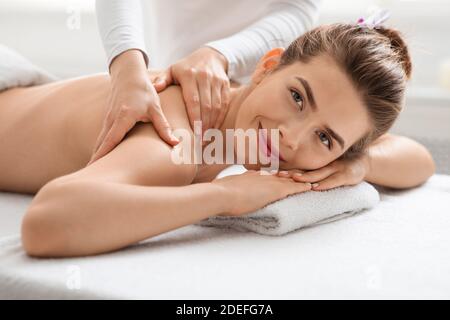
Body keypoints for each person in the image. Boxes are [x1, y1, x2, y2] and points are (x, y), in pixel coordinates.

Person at [0, 23, 434, 258]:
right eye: (298, 97)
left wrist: (355, 165)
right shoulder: (178, 139)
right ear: (266, 67)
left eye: (325, 137)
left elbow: (420, 161)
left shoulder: (239, 118)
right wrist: (225, 195)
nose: (291, 137)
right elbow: (48, 224)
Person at [91, 0, 322, 163]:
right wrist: (127, 69)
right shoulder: (177, 147)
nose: (292, 140)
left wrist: (220, 54)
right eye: (297, 97)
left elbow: (296, 8)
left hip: (239, 93)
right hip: (167, 87)